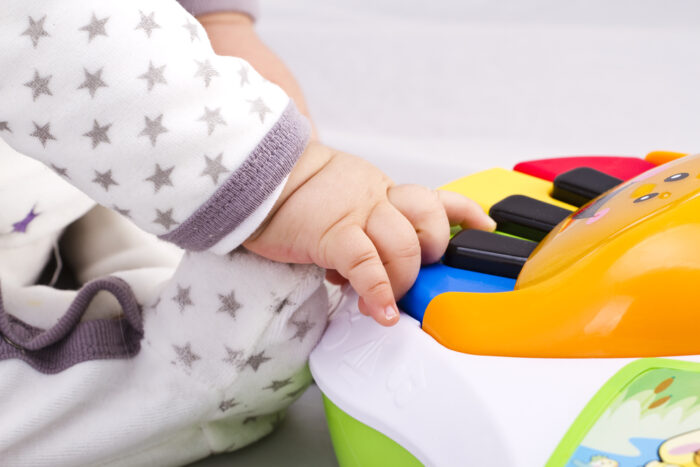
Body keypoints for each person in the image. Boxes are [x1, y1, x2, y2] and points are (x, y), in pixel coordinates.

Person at [0, 1, 495, 464]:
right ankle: (176, 381)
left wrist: (214, 23)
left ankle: (175, 264)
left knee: (166, 212)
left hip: (44, 193)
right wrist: (285, 184)